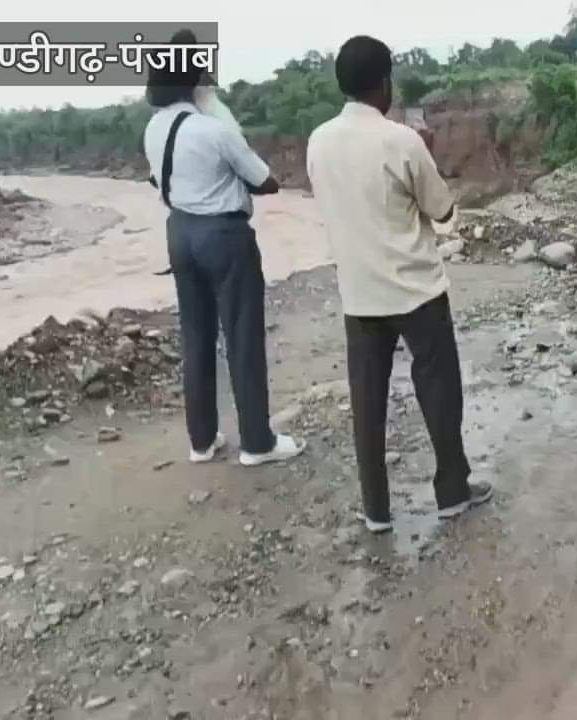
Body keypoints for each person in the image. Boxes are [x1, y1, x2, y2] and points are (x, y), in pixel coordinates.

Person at [305, 35, 491, 534]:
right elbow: (443, 210)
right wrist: (426, 152)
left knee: (367, 401)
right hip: (416, 290)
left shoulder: (318, 140)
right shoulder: (401, 140)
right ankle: (452, 492)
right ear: (384, 83)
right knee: (439, 388)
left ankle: (376, 510)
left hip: (359, 293)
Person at [143, 30, 305, 467]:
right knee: (242, 337)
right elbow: (265, 182)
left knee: (196, 337)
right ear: (196, 80)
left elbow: (159, 181)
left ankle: (202, 441)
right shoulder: (214, 129)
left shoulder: (155, 128)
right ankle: (256, 442)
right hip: (223, 236)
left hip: (179, 233)